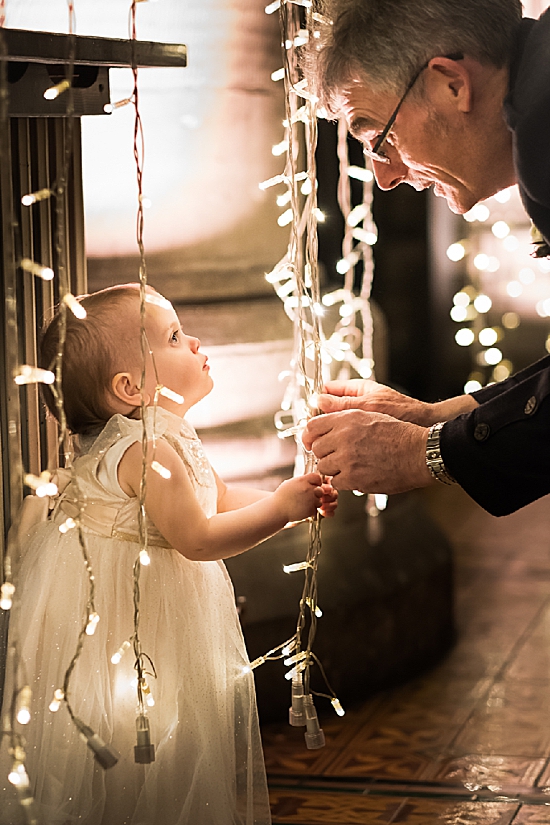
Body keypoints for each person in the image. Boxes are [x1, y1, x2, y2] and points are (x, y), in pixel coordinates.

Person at [0, 284, 337, 825]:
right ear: (130, 387)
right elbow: (198, 538)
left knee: (169, 735)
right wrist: (279, 509)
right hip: (128, 619)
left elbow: (219, 499)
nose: (195, 340)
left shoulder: (169, 434)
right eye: (175, 337)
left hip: (160, 606)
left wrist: (293, 500)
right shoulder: (142, 452)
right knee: (136, 738)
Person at [303, 0, 550, 517]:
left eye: (379, 137)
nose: (387, 177)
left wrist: (426, 454)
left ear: (451, 84)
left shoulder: (543, 128)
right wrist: (441, 417)